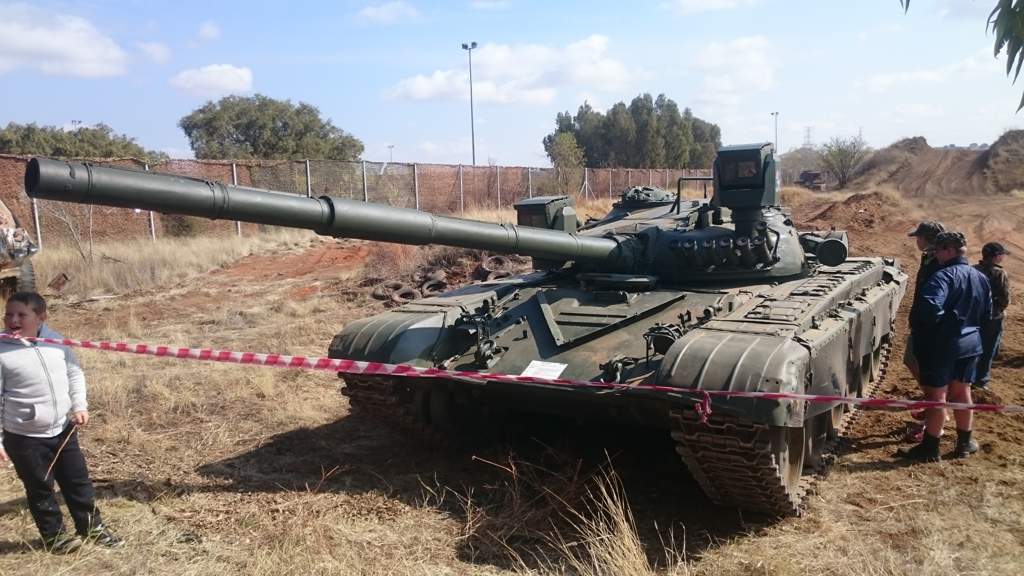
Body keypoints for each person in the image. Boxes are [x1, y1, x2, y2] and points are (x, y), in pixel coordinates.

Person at [0, 292, 122, 553]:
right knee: (40, 487)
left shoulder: (56, 341)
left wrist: (79, 405)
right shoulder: (2, 351)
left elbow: (74, 373)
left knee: (78, 481)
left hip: (63, 430)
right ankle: (54, 536)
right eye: (8, 314)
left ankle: (91, 527)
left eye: (22, 314)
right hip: (24, 437)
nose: (13, 320)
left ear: (41, 317)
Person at [900, 232, 992, 462]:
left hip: (943, 345)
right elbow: (988, 312)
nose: (936, 255)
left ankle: (930, 447)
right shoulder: (980, 277)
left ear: (949, 250)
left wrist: (940, 327)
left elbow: (930, 308)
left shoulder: (943, 276)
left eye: (938, 251)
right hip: (972, 342)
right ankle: (964, 442)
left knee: (936, 396)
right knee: (962, 391)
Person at [903, 221, 946, 441]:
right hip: (923, 323)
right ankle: (933, 408)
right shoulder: (930, 258)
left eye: (919, 237)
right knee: (912, 360)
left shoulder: (938, 262)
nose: (916, 241)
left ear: (928, 238)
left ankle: (934, 420)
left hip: (931, 327)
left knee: (929, 375)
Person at [973, 242, 1011, 390]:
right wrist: (998, 311)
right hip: (992, 317)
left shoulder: (973, 269)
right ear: (996, 257)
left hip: (973, 315)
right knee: (988, 350)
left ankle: (968, 377)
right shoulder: (999, 273)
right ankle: (981, 382)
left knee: (972, 348)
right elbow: (1004, 298)